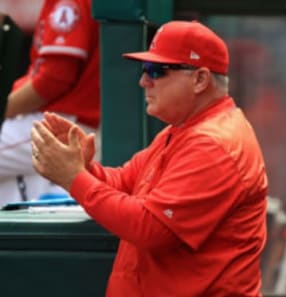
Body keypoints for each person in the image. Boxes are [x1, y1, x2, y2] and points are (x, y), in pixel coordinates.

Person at [30, 20, 268, 297]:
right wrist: (84, 167)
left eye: (157, 71)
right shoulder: (182, 130)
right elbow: (124, 182)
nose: (144, 81)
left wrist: (73, 177)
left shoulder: (213, 143)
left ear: (200, 80)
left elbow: (151, 228)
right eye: (145, 70)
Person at [0, 0, 100, 205]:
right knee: (19, 189)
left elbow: (54, 79)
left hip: (60, 123)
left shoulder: (68, 2)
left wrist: (4, 108)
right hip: (64, 123)